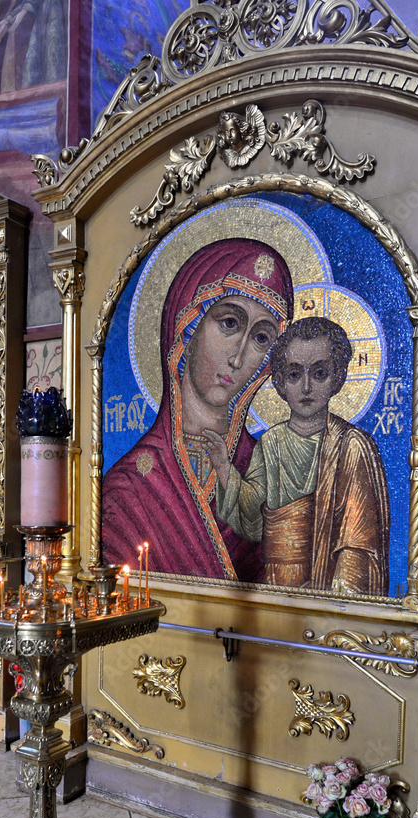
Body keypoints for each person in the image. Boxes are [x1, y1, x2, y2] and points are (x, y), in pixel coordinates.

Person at [101, 238, 294, 581]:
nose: (238, 358)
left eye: (261, 338)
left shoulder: (267, 468)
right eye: (230, 324)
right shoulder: (129, 487)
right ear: (187, 326)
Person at [204, 316, 390, 594]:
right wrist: (222, 466)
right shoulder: (272, 442)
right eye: (294, 374)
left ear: (338, 377)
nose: (305, 388)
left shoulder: (351, 446)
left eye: (319, 373)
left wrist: (339, 603)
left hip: (326, 592)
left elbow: (358, 542)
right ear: (279, 382)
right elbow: (253, 520)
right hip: (276, 587)